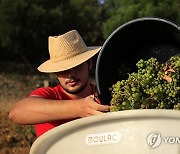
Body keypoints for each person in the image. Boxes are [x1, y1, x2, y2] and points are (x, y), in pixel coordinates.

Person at [8, 30, 110, 137]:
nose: (71, 74)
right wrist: (81, 108)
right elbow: (16, 112)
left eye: (77, 66)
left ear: (89, 63)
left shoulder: (105, 97)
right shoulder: (49, 96)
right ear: (56, 72)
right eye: (63, 69)